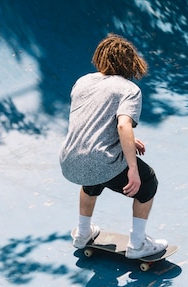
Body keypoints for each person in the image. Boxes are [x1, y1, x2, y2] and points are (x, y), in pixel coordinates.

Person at [59, 34, 167, 259]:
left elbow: (91, 120)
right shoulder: (128, 89)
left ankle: (82, 233)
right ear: (130, 63)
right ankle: (138, 245)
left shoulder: (83, 81)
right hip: (99, 158)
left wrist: (123, 142)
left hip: (69, 159)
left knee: (93, 176)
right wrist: (133, 170)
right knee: (148, 182)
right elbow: (123, 126)